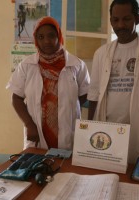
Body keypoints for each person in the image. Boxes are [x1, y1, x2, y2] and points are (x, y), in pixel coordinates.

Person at [87, 0, 139, 164]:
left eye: (126, 19)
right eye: (115, 20)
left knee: (136, 172)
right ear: (111, 21)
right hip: (106, 126)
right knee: (106, 170)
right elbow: (94, 94)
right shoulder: (101, 54)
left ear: (137, 19)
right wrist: (90, 127)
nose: (120, 25)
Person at [7, 16, 90, 150]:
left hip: (68, 131)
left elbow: (84, 94)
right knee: (38, 168)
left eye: (51, 36)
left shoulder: (77, 65)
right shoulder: (26, 66)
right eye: (41, 37)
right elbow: (16, 98)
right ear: (36, 40)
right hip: (37, 132)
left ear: (59, 36)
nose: (46, 41)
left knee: (65, 168)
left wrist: (66, 106)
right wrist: (30, 125)